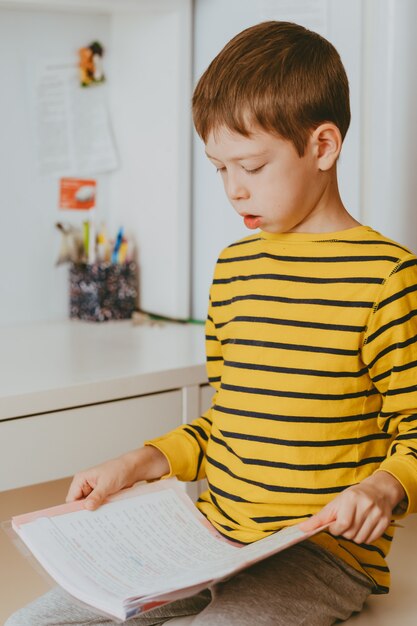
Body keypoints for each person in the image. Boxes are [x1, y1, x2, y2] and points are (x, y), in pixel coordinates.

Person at [6, 20, 417, 626]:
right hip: (209, 540)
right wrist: (138, 462)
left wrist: (383, 489)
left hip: (319, 555)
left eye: (251, 166)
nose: (233, 190)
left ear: (323, 146)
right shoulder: (234, 268)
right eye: (219, 168)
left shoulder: (388, 276)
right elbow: (229, 421)